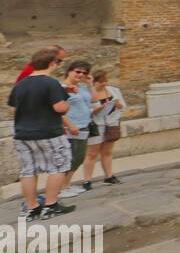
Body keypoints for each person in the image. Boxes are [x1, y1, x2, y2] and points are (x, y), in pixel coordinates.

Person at [6, 47, 76, 219]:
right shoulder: (50, 83)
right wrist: (67, 104)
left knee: (28, 170)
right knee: (59, 166)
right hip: (48, 132)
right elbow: (60, 108)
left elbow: (13, 110)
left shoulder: (20, 84)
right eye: (59, 62)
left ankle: (32, 207)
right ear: (52, 63)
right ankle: (51, 205)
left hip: (23, 134)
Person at [81, 69, 125, 190]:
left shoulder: (113, 91)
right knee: (92, 154)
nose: (104, 84)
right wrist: (97, 109)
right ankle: (87, 180)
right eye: (101, 82)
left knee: (107, 152)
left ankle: (109, 176)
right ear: (94, 82)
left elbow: (123, 107)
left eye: (105, 81)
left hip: (111, 124)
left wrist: (118, 105)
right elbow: (83, 111)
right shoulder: (87, 93)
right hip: (95, 125)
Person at [60, 60, 94, 198]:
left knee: (78, 157)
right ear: (69, 71)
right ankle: (62, 187)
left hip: (84, 125)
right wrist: (69, 125)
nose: (80, 75)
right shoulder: (62, 88)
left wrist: (90, 84)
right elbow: (58, 109)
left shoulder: (82, 87)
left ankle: (66, 184)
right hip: (72, 127)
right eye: (77, 71)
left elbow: (94, 99)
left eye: (84, 73)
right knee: (73, 157)